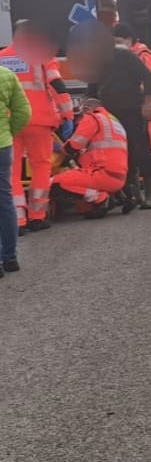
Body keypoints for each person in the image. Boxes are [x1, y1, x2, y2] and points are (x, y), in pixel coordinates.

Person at [71, 20, 151, 210]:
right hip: (110, 116)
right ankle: (132, 192)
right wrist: (89, 104)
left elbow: (147, 77)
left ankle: (150, 192)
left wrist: (148, 101)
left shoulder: (125, 56)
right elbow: (92, 87)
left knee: (140, 149)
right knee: (119, 154)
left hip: (132, 110)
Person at [0, 21, 74, 233]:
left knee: (10, 171)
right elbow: (57, 85)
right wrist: (67, 114)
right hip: (38, 121)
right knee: (41, 166)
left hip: (8, 123)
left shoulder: (2, 56)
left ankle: (17, 219)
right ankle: (37, 216)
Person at [50, 99, 130, 219]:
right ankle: (104, 198)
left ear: (86, 110)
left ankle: (99, 197)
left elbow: (73, 146)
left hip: (101, 173)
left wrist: (58, 148)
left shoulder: (93, 118)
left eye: (80, 116)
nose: (78, 121)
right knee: (84, 208)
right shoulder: (114, 121)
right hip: (118, 177)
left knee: (53, 183)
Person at [113, 23, 151, 193]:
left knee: (149, 142)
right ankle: (141, 176)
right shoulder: (127, 54)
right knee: (137, 142)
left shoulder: (143, 55)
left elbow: (149, 81)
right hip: (134, 102)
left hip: (148, 102)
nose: (116, 44)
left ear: (129, 40)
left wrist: (146, 102)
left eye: (119, 40)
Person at [0, 61, 32, 274]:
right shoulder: (6, 74)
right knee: (5, 200)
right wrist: (8, 132)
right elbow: (24, 112)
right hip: (2, 145)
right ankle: (9, 257)